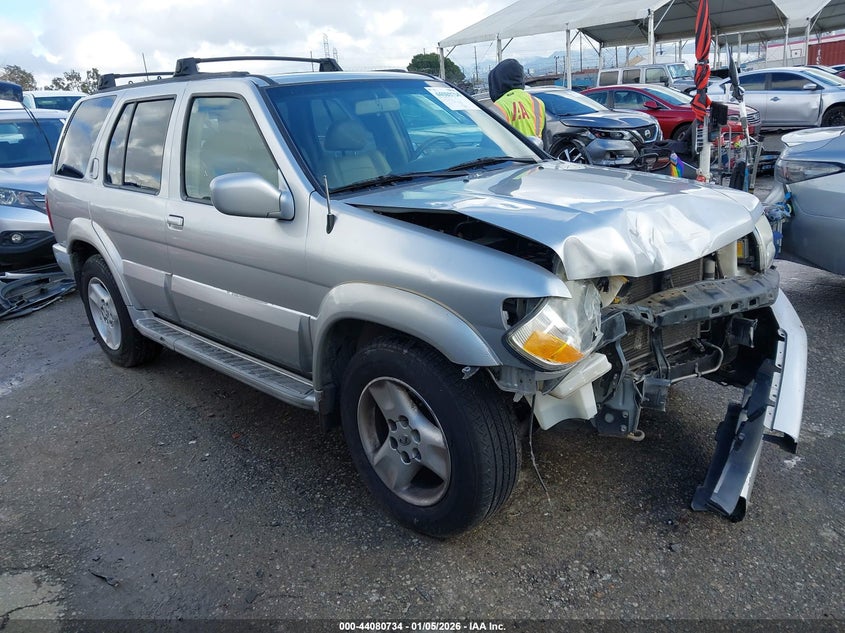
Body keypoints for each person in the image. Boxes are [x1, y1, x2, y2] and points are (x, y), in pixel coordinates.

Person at [487, 59, 546, 141]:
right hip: (534, 152)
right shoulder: (538, 103)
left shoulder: (498, 107)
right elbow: (544, 141)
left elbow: (490, 145)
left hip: (511, 153)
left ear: (497, 82)